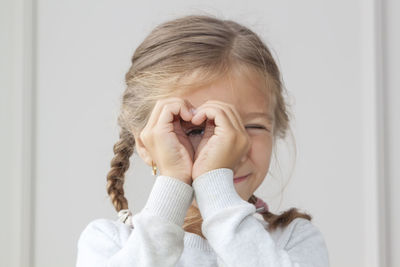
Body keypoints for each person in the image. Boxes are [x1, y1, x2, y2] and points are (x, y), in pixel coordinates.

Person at [76, 14, 330, 267]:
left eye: (253, 126)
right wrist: (174, 182)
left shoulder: (293, 241)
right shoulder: (109, 243)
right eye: (196, 130)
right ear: (146, 144)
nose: (233, 147)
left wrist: (216, 192)